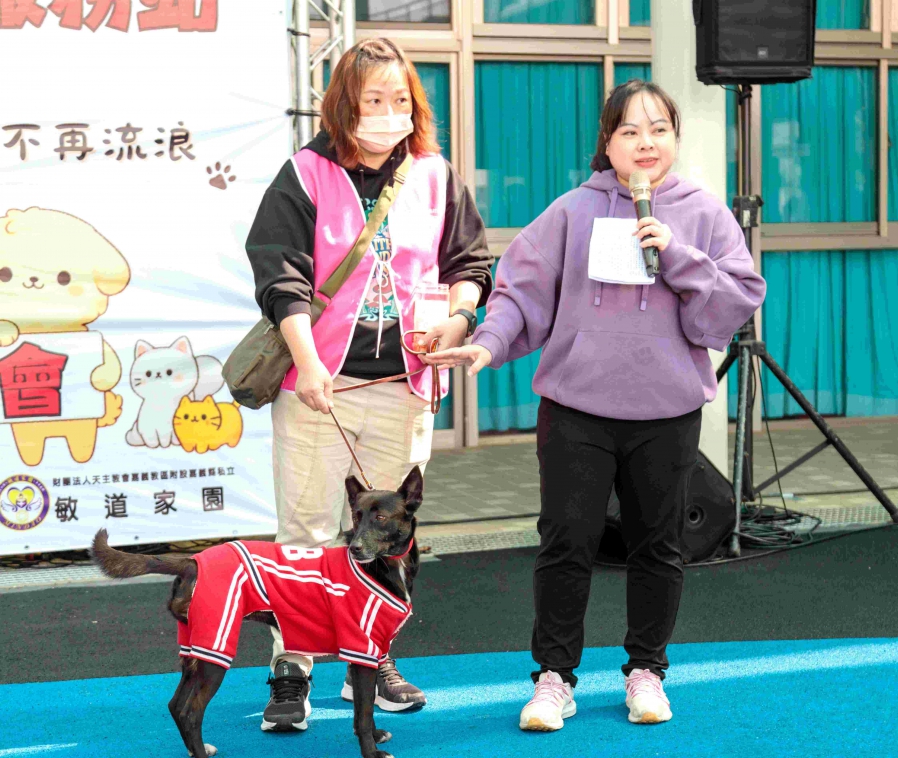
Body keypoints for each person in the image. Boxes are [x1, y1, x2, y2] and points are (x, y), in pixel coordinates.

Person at [426, 80, 766, 731]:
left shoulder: (702, 212)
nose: (645, 143)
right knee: (565, 542)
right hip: (576, 409)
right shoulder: (571, 211)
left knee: (658, 546)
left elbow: (738, 296)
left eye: (658, 129)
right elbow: (521, 293)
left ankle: (647, 672)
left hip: (665, 412)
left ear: (674, 138)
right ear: (607, 143)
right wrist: (487, 343)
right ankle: (553, 678)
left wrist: (677, 254)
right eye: (629, 131)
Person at [245, 37, 492, 732]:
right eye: (371, 100)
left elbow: (469, 261)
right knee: (305, 533)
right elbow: (280, 275)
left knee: (388, 536)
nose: (387, 113)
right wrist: (308, 363)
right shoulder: (305, 173)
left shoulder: (434, 174)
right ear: (343, 106)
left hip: (404, 386)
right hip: (319, 385)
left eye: (398, 99)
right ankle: (292, 669)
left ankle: (374, 656)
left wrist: (458, 318)